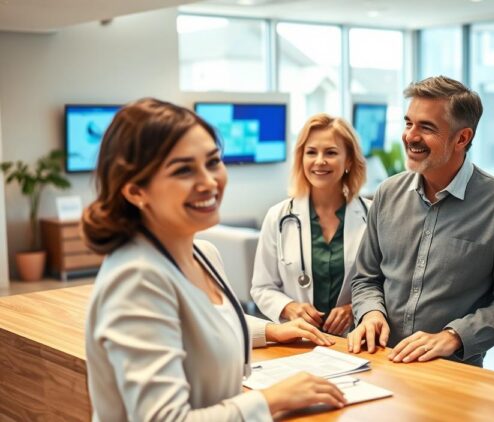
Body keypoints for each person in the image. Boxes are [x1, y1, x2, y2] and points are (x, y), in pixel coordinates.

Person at [82, 98, 346, 421]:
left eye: (212, 162)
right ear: (136, 191)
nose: (209, 182)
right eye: (183, 170)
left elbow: (203, 325)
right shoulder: (136, 278)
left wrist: (273, 332)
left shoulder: (203, 254)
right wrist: (271, 400)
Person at [347, 76, 494, 366]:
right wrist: (371, 313)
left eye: (427, 127)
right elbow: (366, 277)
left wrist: (453, 336)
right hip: (377, 360)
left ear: (462, 138)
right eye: (409, 123)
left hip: (449, 370)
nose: (411, 136)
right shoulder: (387, 193)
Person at [251, 114, 370, 336]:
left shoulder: (372, 215)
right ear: (301, 159)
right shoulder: (278, 216)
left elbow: (388, 284)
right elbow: (262, 287)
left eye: (331, 152)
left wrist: (355, 309)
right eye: (311, 152)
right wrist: (289, 307)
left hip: (356, 339)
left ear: (349, 160)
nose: (320, 161)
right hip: (299, 340)